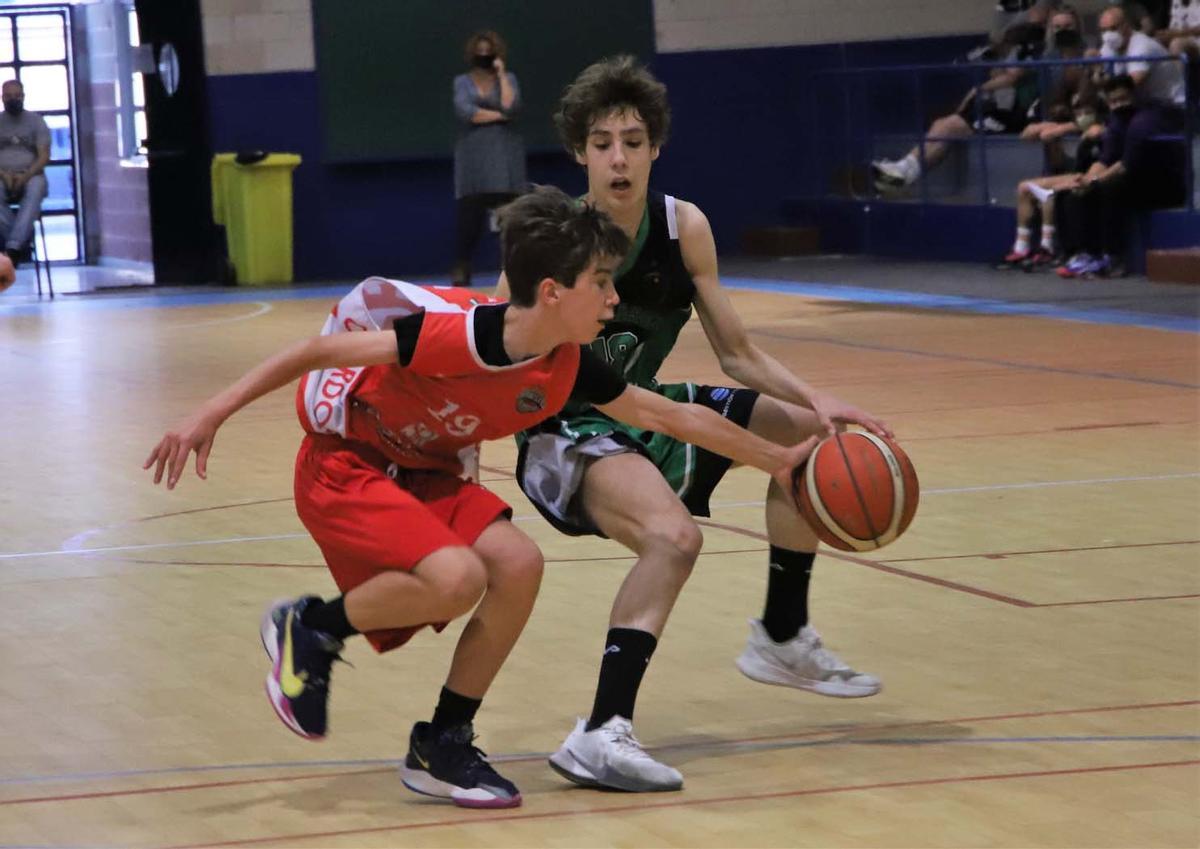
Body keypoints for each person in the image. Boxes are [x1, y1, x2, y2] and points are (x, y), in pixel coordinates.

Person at [144, 186, 816, 810]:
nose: (614, 300)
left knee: (519, 566)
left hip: (427, 469)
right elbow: (317, 351)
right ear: (552, 292)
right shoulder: (457, 336)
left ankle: (443, 740)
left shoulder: (567, 361)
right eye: (602, 283)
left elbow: (666, 415)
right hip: (349, 463)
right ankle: (312, 627)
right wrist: (211, 413)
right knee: (459, 575)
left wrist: (780, 459)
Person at [495, 57, 892, 793]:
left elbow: (737, 353)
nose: (619, 157)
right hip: (563, 436)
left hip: (642, 409)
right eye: (603, 142)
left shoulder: (684, 228)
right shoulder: (550, 240)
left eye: (634, 141)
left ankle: (780, 632)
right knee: (674, 537)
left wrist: (819, 398)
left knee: (809, 435)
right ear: (579, 152)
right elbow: (488, 357)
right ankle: (601, 732)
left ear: (655, 149)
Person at [872, 9, 1049, 192]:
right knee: (943, 125)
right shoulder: (1006, 55)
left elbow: (1012, 77)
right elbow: (998, 74)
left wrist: (979, 88)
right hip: (999, 110)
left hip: (1019, 115)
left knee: (950, 126)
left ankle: (905, 172)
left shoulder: (1034, 50)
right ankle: (904, 170)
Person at [1054, 73, 1186, 277]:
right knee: (1074, 193)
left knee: (1109, 188)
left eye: (1124, 99)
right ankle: (1085, 254)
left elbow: (1125, 164)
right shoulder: (1115, 121)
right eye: (1114, 101)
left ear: (1134, 95)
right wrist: (1086, 179)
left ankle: (1113, 257)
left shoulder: (1145, 120)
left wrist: (1095, 181)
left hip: (1163, 185)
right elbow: (1105, 159)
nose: (1119, 104)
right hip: (1133, 179)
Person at [450, 30, 527, 287]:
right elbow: (467, 112)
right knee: (469, 217)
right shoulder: (462, 81)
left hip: (506, 159)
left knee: (512, 219)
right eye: (479, 51)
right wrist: (501, 116)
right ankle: (462, 269)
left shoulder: (510, 79)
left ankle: (513, 271)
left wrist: (502, 73)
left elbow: (512, 105)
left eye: (488, 51)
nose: (484, 55)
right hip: (473, 159)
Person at [1000, 91, 1106, 269]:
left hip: (1090, 176)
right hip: (1072, 175)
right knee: (1032, 190)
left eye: (1087, 113)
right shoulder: (1065, 128)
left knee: (1035, 188)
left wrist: (1068, 128)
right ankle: (1024, 249)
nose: (1083, 117)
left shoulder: (1100, 130)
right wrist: (1065, 126)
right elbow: (1029, 135)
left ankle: (1045, 248)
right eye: (1078, 114)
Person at [0, 80, 49, 268]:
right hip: (2, 175)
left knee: (36, 188)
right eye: (8, 96)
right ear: (2, 98)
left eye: (17, 95)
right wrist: (4, 175)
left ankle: (13, 247)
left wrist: (25, 177)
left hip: (31, 174)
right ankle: (22, 243)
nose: (13, 99)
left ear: (23, 96)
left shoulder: (36, 121)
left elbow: (44, 156)